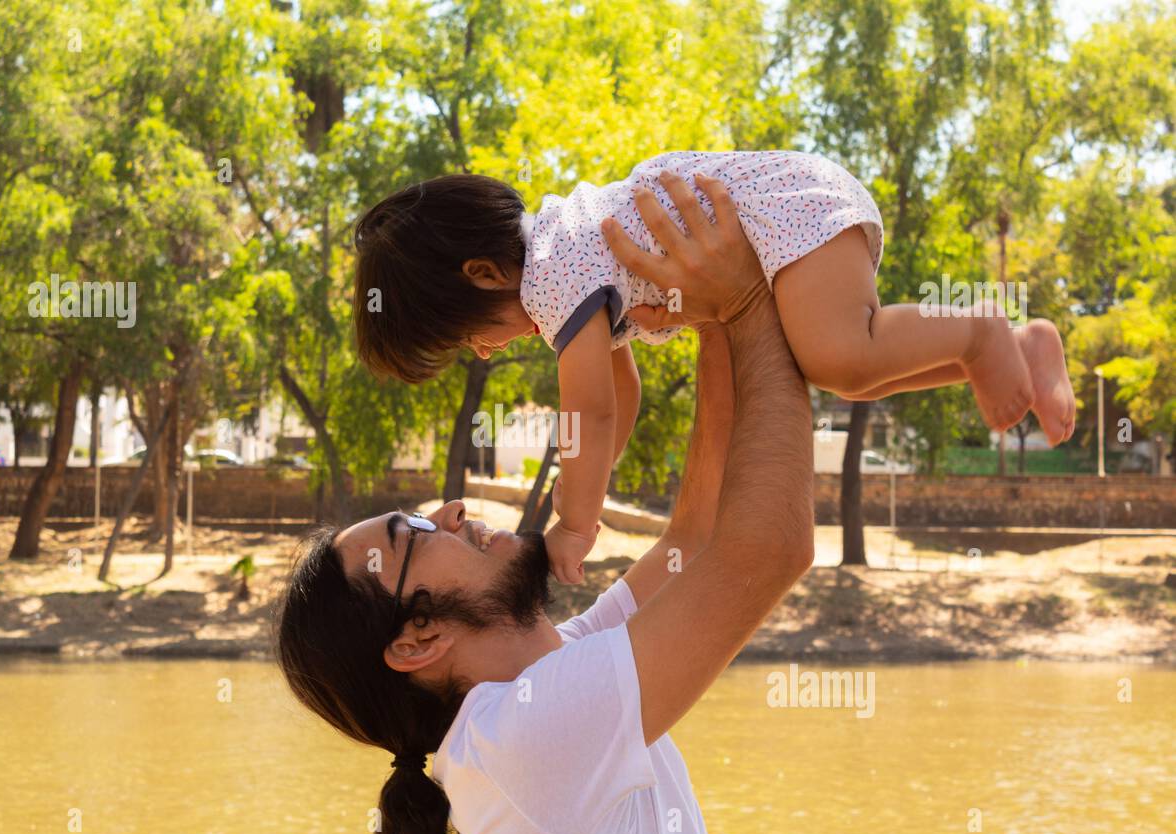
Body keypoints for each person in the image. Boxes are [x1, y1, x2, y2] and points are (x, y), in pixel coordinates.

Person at [277, 176, 814, 834]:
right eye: (415, 533)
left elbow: (697, 537)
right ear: (417, 641)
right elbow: (767, 549)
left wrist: (716, 317)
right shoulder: (521, 738)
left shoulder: (544, 678)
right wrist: (746, 303)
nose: (452, 510)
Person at [351, 151, 1076, 582]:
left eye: (467, 338)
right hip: (790, 204)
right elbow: (619, 400)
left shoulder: (552, 275)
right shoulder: (569, 266)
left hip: (783, 213)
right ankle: (1017, 342)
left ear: (483, 274)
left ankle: (982, 329)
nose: (481, 352)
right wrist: (593, 495)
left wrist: (572, 526)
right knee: (845, 370)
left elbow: (588, 412)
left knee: (839, 353)